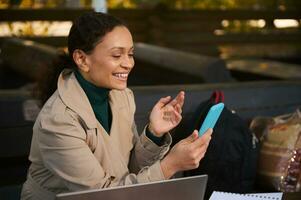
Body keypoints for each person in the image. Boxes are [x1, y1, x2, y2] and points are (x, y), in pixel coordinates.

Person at [21, 12, 212, 200]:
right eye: (117, 55)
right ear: (81, 59)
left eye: (130, 54)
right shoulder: (58, 121)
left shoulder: (122, 96)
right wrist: (170, 165)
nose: (128, 63)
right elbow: (103, 195)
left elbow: (129, 170)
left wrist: (154, 134)